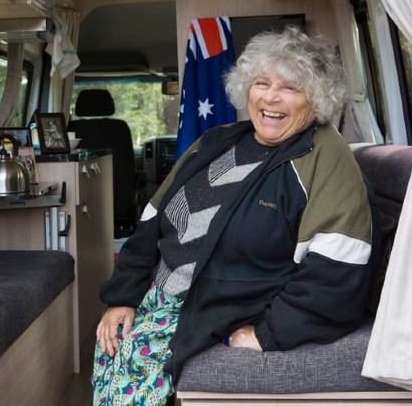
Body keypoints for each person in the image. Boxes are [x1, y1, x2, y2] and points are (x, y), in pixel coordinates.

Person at [91, 26, 373, 405]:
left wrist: (267, 333)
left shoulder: (325, 156)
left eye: (290, 88)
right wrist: (122, 297)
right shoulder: (215, 141)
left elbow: (338, 269)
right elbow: (151, 222)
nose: (271, 97)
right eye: (261, 82)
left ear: (316, 99)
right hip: (158, 299)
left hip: (210, 311)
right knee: (107, 353)